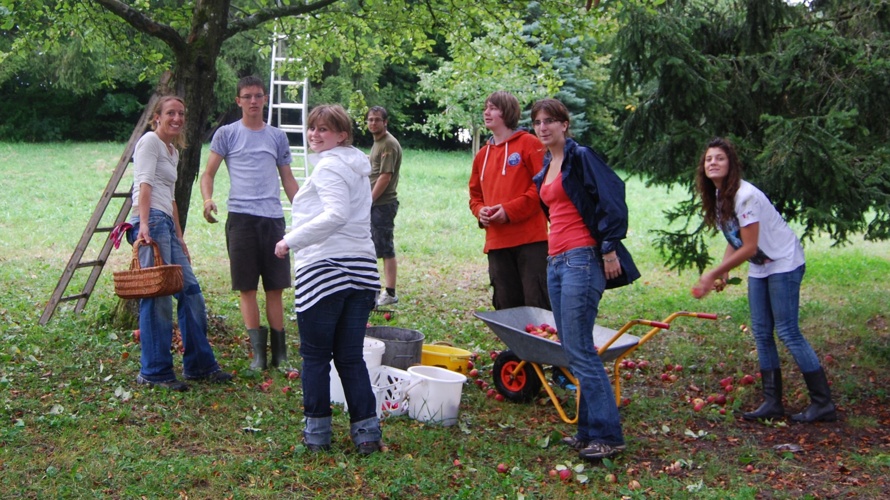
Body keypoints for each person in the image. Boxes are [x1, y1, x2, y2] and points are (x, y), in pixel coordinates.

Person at [691, 137, 837, 423]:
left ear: (731, 164)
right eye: (709, 159)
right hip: (761, 265)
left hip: (783, 261)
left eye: (719, 158)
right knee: (761, 331)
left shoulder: (745, 196)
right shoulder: (722, 195)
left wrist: (710, 273)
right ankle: (772, 402)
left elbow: (748, 246)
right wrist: (724, 270)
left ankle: (823, 404)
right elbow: (735, 238)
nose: (713, 163)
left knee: (787, 330)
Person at [530, 98, 640, 460]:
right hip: (556, 261)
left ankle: (609, 435)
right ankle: (587, 432)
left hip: (582, 259)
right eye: (538, 122)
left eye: (550, 121)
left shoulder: (581, 157)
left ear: (565, 124)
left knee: (580, 352)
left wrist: (608, 248)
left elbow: (613, 198)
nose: (543, 127)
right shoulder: (547, 164)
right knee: (574, 348)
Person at [274, 104, 384, 454]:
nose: (315, 135)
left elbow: (336, 215)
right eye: (312, 128)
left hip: (325, 270)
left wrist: (290, 240)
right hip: (363, 272)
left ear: (342, 135)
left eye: (324, 129)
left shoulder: (330, 166)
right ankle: (367, 434)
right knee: (350, 357)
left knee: (316, 357)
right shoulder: (356, 166)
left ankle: (317, 436)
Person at [127, 95, 233, 391]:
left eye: (181, 113)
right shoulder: (149, 142)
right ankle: (155, 371)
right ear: (156, 117)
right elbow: (144, 184)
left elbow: (171, 197)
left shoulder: (172, 150)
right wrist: (145, 224)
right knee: (158, 297)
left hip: (166, 226)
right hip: (149, 223)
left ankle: (199, 366)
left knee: (191, 292)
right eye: (171, 113)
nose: (177, 118)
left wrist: (180, 237)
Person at [200, 75, 299, 371]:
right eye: (247, 96)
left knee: (275, 288)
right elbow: (208, 174)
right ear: (238, 101)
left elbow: (288, 179)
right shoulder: (226, 134)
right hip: (241, 220)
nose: (253, 101)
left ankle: (280, 355)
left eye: (258, 96)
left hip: (272, 221)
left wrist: (307, 213)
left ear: (266, 98)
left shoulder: (277, 137)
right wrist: (207, 200)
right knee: (246, 288)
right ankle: (258, 354)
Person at [468, 91, 550, 310]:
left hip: (531, 240)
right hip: (497, 243)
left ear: (508, 112)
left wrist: (509, 211)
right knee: (506, 305)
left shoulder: (530, 144)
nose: (487, 112)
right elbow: (475, 196)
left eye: (493, 108)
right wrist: (481, 211)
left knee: (537, 303)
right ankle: (512, 345)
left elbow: (542, 187)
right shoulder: (482, 155)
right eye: (486, 107)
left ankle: (541, 345)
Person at [366, 106, 402, 307]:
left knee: (385, 248)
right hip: (376, 203)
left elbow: (385, 176)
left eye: (377, 120)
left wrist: (369, 200)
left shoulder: (388, 144)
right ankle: (374, 289)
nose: (373, 123)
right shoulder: (378, 143)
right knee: (372, 247)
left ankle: (389, 292)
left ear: (385, 122)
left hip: (383, 204)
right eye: (370, 120)